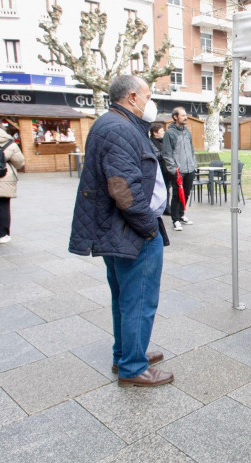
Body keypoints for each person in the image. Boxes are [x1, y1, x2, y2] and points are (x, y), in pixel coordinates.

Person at [69, 75, 172, 387]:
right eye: (147, 95)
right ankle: (132, 366)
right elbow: (122, 188)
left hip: (116, 229)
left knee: (125, 298)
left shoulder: (113, 124)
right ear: (131, 97)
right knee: (139, 300)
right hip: (130, 231)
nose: (150, 101)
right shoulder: (120, 128)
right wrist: (148, 228)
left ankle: (126, 354)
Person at [0, 115, 25, 244]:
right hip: (3, 178)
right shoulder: (8, 142)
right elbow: (19, 163)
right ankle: (3, 234)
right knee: (2, 206)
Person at [162, 107, 196, 231]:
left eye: (185, 115)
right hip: (178, 171)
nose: (185, 117)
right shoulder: (170, 134)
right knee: (177, 195)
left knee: (186, 193)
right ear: (175, 117)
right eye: (182, 115)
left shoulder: (187, 132)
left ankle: (181, 215)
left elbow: (191, 150)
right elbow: (166, 153)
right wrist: (174, 169)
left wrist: (193, 165)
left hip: (189, 169)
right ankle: (175, 219)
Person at [150, 122, 172, 216]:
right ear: (155, 133)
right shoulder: (150, 142)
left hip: (166, 169)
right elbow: (156, 155)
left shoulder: (163, 141)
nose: (164, 132)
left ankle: (166, 206)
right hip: (157, 169)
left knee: (167, 189)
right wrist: (165, 153)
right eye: (162, 131)